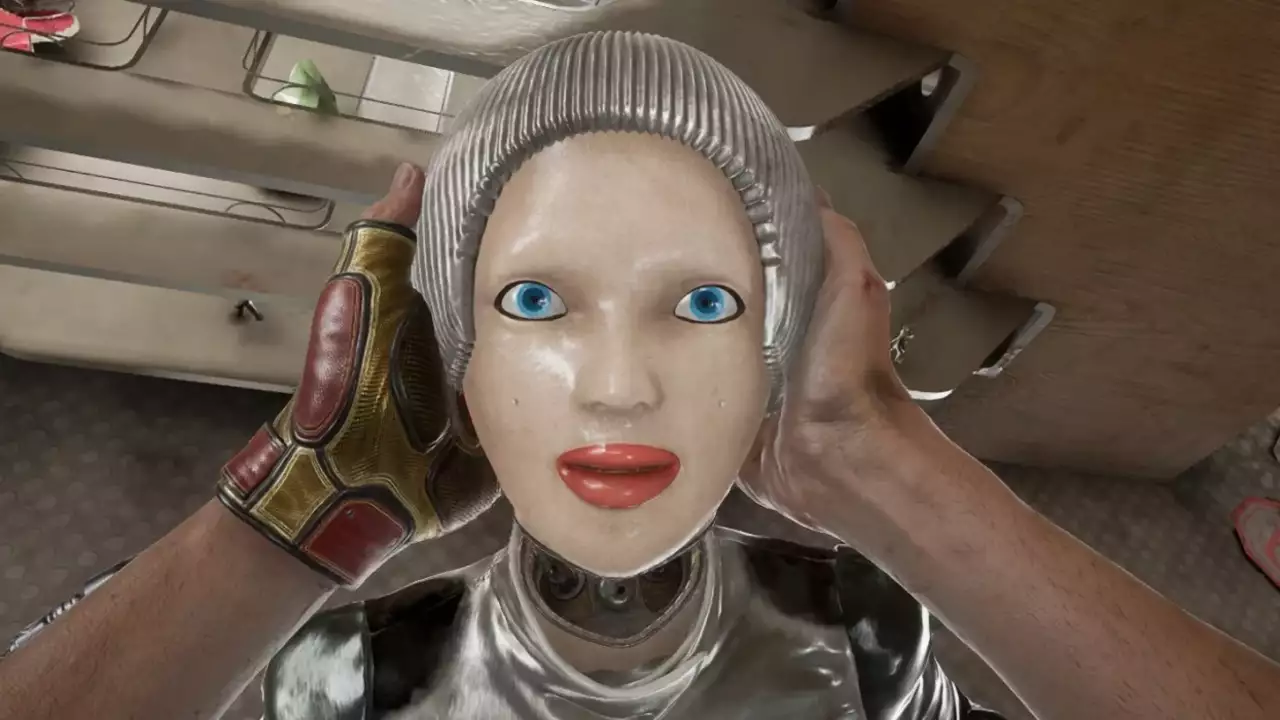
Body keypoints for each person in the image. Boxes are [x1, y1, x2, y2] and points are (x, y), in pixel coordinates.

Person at [1, 162, 1278, 720]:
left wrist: (870, 453)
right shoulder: (344, 681)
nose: (617, 389)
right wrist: (307, 503)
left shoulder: (865, 631)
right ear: (453, 356)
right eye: (538, 299)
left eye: (700, 304)